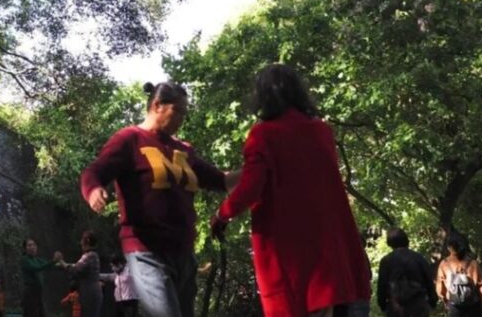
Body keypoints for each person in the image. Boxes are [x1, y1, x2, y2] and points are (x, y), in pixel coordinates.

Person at [209, 64, 371, 317]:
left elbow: (251, 187)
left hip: (291, 256)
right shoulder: (321, 131)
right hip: (330, 255)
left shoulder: (263, 135)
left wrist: (222, 214)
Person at [81, 81, 236, 317]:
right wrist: (93, 190)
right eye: (179, 111)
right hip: (146, 251)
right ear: (157, 105)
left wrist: (259, 169)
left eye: (185, 112)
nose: (183, 118)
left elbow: (221, 180)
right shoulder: (130, 139)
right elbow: (94, 172)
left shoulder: (183, 150)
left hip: (183, 254)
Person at [376, 228, 436, 317]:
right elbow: (429, 280)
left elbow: (382, 285)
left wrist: (383, 305)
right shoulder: (418, 258)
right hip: (418, 306)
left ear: (389, 243)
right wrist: (432, 300)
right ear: (406, 240)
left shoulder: (386, 261)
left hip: (396, 307)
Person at [435, 231, 482, 317]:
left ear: (449, 247)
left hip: (454, 307)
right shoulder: (473, 264)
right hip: (473, 306)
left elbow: (440, 288)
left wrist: (446, 302)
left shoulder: (444, 264)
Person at [56, 230, 102, 317]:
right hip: (91, 291)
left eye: (82, 240)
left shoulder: (89, 255)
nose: (80, 243)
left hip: (89, 293)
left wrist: (61, 262)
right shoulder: (93, 255)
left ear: (87, 241)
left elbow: (75, 269)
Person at [21, 237, 56, 317]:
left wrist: (65, 265)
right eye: (29, 245)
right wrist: (54, 261)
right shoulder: (25, 260)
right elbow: (36, 268)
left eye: (34, 245)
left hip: (38, 293)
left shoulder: (37, 259)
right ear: (25, 249)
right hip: (30, 293)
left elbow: (49, 265)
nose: (32, 247)